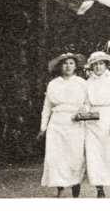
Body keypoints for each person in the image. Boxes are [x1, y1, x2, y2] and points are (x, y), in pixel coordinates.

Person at [37, 53, 87, 198]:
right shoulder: (53, 84)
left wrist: (82, 113)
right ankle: (59, 188)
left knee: (76, 154)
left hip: (75, 122)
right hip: (57, 123)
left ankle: (75, 182)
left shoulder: (81, 83)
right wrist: (43, 127)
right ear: (60, 66)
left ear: (75, 66)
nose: (68, 66)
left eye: (71, 63)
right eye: (65, 64)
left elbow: (87, 103)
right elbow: (47, 107)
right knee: (57, 156)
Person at [82, 51, 110, 198]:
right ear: (91, 67)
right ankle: (99, 188)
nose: (98, 67)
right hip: (92, 122)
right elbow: (86, 102)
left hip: (108, 119)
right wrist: (84, 113)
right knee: (94, 155)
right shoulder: (87, 83)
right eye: (95, 64)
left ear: (106, 65)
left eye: (101, 64)